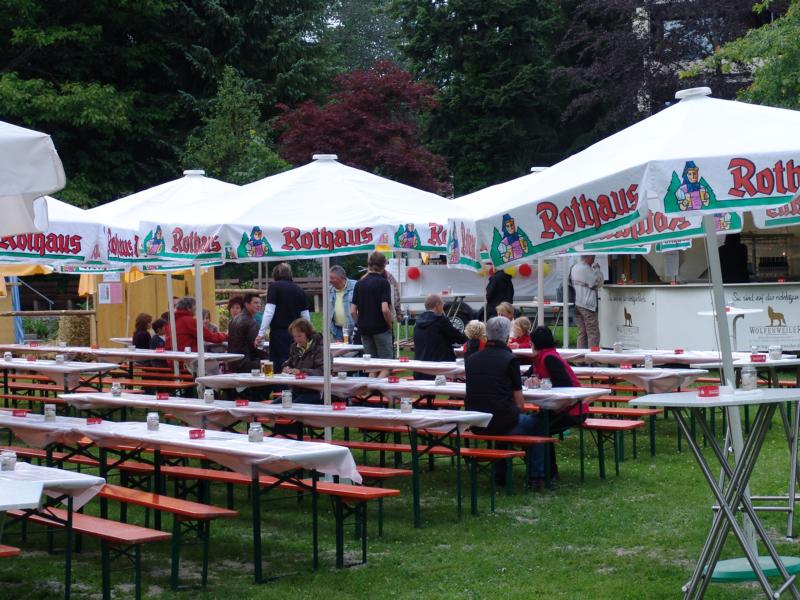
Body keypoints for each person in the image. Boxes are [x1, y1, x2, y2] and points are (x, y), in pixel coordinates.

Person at [465, 317, 549, 489]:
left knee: (502, 416)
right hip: (502, 422)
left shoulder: (472, 359)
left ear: (487, 334)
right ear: (506, 336)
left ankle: (500, 473)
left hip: (477, 422)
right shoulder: (509, 359)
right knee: (539, 424)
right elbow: (520, 403)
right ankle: (536, 476)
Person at [524, 326, 588, 479]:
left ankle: (548, 472)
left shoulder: (549, 358)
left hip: (572, 410)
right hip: (555, 408)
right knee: (533, 426)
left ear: (534, 344)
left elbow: (565, 385)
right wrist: (529, 380)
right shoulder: (540, 358)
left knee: (540, 428)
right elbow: (525, 377)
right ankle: (543, 470)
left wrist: (541, 383)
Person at [256, 263, 310, 372]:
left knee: (278, 365)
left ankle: (279, 383)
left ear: (275, 274)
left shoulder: (274, 287)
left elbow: (269, 311)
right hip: (296, 335)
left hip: (279, 334)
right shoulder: (299, 290)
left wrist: (261, 333)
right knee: (294, 364)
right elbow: (305, 315)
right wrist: (309, 334)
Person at [351, 251, 394, 363]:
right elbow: (385, 309)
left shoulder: (359, 284)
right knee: (386, 364)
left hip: (364, 329)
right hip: (381, 328)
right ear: (384, 265)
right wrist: (390, 325)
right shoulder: (383, 283)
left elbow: (353, 311)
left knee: (371, 364)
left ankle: (371, 376)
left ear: (368, 264)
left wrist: (359, 324)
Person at [413, 293, 467, 380]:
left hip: (420, 369)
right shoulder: (440, 321)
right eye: (442, 304)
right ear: (437, 305)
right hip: (440, 370)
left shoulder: (417, 322)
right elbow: (460, 338)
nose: (443, 307)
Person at [281, 318, 325, 404]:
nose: (297, 339)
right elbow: (289, 363)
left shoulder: (320, 349)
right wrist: (286, 367)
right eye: (294, 336)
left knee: (290, 407)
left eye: (299, 336)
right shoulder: (294, 347)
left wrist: (301, 372)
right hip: (296, 390)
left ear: (307, 334)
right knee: (274, 407)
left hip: (314, 392)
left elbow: (323, 371)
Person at [228, 293, 268, 373]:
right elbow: (256, 346)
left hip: (232, 362)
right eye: (255, 303)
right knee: (274, 364)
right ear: (246, 304)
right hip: (246, 363)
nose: (258, 305)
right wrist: (267, 356)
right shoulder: (250, 322)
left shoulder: (233, 320)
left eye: (259, 303)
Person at [570, 255, 603, 348]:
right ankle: (592, 355)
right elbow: (598, 283)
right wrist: (597, 270)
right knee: (593, 332)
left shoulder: (574, 267)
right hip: (587, 304)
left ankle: (580, 356)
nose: (593, 260)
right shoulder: (586, 269)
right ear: (588, 257)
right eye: (593, 258)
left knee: (582, 332)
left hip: (577, 302)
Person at [328, 265, 356, 340]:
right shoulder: (329, 290)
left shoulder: (356, 286)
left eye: (332, 278)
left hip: (354, 330)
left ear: (341, 278)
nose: (329, 280)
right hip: (337, 331)